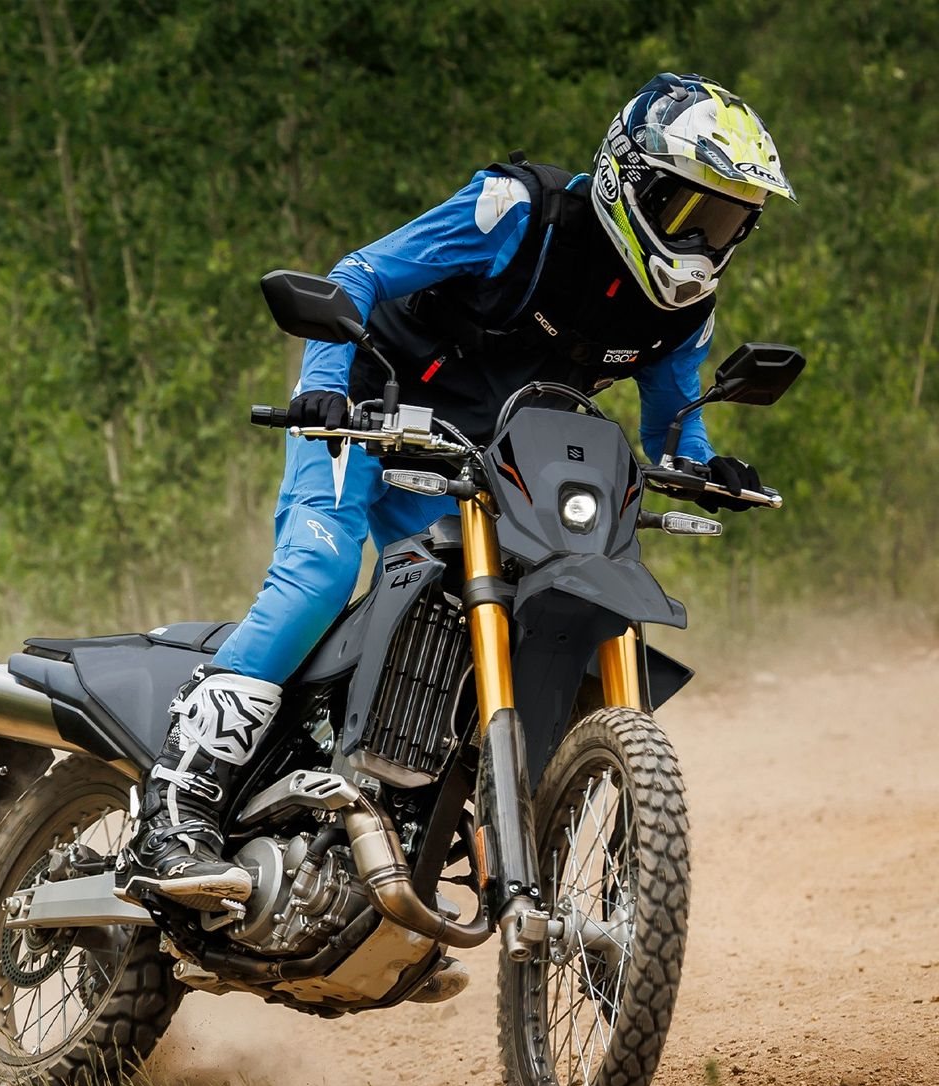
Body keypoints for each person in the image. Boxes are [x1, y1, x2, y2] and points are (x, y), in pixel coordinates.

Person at [114, 71, 796, 910]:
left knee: (490, 614)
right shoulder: (519, 213)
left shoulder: (683, 312)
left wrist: (704, 464)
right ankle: (174, 809)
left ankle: (397, 832)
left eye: (729, 221)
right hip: (367, 410)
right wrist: (324, 385)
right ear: (633, 178)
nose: (706, 239)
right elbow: (358, 274)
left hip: (479, 458)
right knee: (320, 576)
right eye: (693, 211)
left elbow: (673, 422)